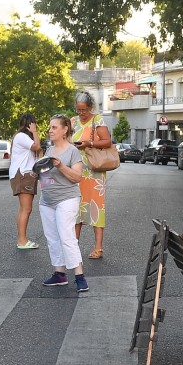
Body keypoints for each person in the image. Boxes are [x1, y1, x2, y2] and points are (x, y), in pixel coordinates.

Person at [37, 115, 89, 293]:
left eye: (54, 127)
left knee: (67, 236)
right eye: (50, 128)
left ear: (65, 129)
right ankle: (60, 274)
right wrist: (37, 173)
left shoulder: (73, 151)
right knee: (52, 237)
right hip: (47, 200)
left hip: (67, 198)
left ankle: (80, 276)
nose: (50, 131)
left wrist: (60, 166)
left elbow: (76, 178)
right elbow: (46, 177)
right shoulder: (49, 151)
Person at [71, 91, 111, 260]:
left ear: (91, 107)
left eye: (84, 110)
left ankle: (98, 248)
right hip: (77, 171)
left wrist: (90, 143)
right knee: (76, 210)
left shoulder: (98, 120)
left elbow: (107, 141)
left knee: (96, 209)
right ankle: (73, 246)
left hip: (94, 172)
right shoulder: (72, 122)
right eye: (78, 110)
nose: (81, 113)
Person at [10, 113, 43, 249]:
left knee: (24, 208)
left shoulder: (21, 138)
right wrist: (34, 132)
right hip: (23, 175)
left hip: (24, 175)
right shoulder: (22, 137)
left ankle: (21, 239)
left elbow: (38, 153)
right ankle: (22, 241)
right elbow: (37, 147)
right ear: (30, 124)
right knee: (26, 208)